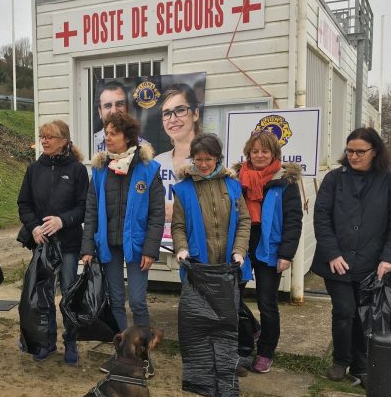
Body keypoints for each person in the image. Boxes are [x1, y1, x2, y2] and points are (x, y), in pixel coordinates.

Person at [312, 127, 391, 384]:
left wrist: (389, 258)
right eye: (349, 151)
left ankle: (361, 365)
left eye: (359, 152)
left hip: (372, 263)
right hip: (337, 263)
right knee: (344, 311)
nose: (353, 156)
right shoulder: (334, 179)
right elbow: (321, 217)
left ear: (374, 151)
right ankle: (340, 360)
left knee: (364, 316)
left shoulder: (390, 182)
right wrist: (332, 253)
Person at [81, 112, 164, 374]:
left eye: (112, 133)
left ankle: (143, 356)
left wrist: (151, 249)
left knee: (137, 302)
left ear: (127, 137)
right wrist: (87, 247)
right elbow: (91, 211)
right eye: (105, 133)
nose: (107, 138)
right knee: (116, 300)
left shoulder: (149, 170)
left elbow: (157, 214)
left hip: (138, 247)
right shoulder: (100, 170)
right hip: (108, 246)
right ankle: (122, 353)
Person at [172, 133, 252, 373]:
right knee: (201, 316)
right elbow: (178, 226)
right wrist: (182, 248)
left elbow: (244, 222)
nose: (203, 164)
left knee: (228, 316)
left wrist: (239, 251)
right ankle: (203, 362)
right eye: (198, 159)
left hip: (229, 264)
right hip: (199, 265)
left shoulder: (233, 186)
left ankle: (228, 360)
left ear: (218, 158)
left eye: (209, 158)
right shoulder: (183, 189)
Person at [17, 120, 89, 364]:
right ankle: (46, 342)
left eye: (50, 137)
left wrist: (63, 220)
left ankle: (71, 341)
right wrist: (34, 226)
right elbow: (23, 204)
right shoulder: (33, 169)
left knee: (68, 293)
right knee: (43, 294)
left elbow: (83, 207)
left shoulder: (78, 170)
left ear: (64, 141)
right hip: (42, 243)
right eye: (42, 137)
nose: (45, 141)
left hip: (68, 243)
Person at [234, 131, 303, 374]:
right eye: (255, 151)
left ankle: (265, 352)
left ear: (274, 153)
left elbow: (294, 221)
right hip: (242, 244)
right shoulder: (236, 179)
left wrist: (286, 253)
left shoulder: (286, 181)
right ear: (248, 153)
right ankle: (247, 337)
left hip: (270, 247)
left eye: (265, 151)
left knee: (267, 303)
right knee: (232, 298)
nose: (260, 155)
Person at [153, 83, 202, 225]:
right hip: (161, 244)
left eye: (180, 110)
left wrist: (178, 211)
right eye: (166, 113)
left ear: (196, 114)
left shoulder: (208, 161)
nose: (173, 119)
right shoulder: (158, 162)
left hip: (195, 242)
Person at [92, 82, 129, 153]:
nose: (114, 111)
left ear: (127, 108)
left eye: (119, 104)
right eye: (108, 106)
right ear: (100, 112)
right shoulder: (89, 144)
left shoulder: (143, 147)